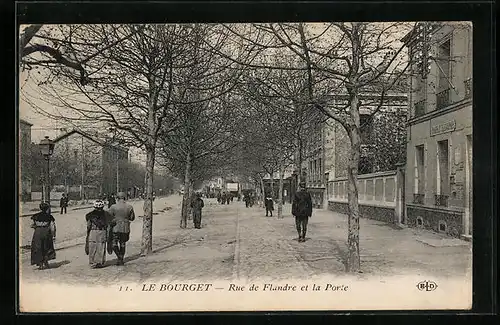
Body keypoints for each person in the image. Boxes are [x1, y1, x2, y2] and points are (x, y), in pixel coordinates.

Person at [108, 192, 135, 265]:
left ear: (117, 198)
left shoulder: (113, 207)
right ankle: (121, 258)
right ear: (125, 198)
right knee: (123, 243)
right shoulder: (129, 207)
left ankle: (119, 257)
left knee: (114, 243)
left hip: (115, 227)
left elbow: (108, 217)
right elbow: (132, 218)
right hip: (125, 227)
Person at [85, 200, 113, 269]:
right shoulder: (107, 214)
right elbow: (109, 224)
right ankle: (100, 262)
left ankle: (92, 262)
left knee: (92, 246)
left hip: (93, 232)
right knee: (101, 246)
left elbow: (88, 226)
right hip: (102, 231)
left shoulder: (90, 215)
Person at [30, 202, 56, 270]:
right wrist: (53, 235)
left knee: (38, 247)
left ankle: (40, 264)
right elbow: (52, 227)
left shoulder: (35, 216)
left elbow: (32, 225)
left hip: (37, 233)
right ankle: (46, 262)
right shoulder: (50, 217)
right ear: (47, 209)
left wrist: (37, 227)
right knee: (46, 247)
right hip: (46, 232)